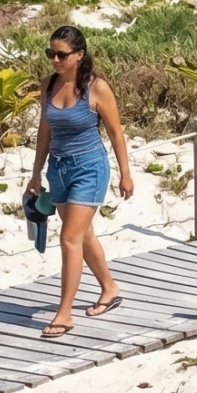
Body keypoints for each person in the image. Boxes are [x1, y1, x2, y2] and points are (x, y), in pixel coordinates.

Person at [31, 25, 135, 337]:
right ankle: (109, 287)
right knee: (83, 235)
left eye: (62, 54)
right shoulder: (47, 85)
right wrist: (36, 173)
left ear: (79, 55)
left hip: (89, 167)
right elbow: (44, 130)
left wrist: (125, 174)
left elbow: (116, 132)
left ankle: (64, 313)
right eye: (51, 53)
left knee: (69, 238)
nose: (55, 60)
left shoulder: (96, 88)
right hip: (58, 169)